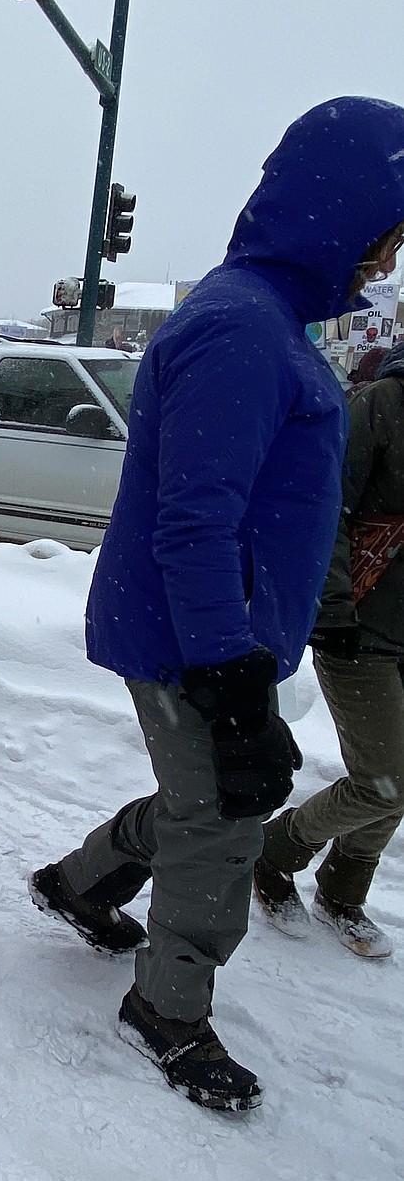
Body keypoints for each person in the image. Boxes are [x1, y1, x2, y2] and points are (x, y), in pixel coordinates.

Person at [28, 96, 404, 1114]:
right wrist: (232, 678)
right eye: (384, 237)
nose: (385, 264)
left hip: (217, 633)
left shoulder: (264, 321)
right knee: (226, 820)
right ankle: (168, 1008)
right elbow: (196, 522)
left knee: (206, 801)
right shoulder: (240, 330)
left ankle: (79, 881)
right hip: (196, 636)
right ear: (339, 214)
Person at [254, 335, 404, 959]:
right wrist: (334, 608)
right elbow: (327, 507)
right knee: (385, 779)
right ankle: (274, 852)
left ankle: (343, 892)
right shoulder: (383, 404)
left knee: (399, 773)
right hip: (361, 628)